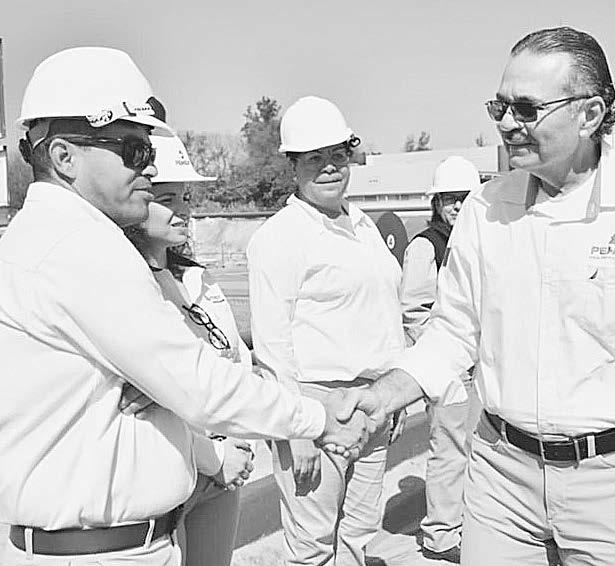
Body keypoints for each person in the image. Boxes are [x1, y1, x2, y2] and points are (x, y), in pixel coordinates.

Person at [334, 27, 615, 566]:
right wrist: (382, 396)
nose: (506, 123)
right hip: (500, 476)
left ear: (590, 115)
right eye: (499, 107)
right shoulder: (484, 209)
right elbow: (453, 333)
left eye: (525, 108)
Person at [0, 47, 372, 566]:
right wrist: (317, 418)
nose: (150, 166)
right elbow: (199, 384)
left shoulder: (49, 237)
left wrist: (161, 388)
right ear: (65, 157)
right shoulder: (77, 246)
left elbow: (182, 379)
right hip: (99, 551)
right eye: (134, 150)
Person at [247, 95, 404, 566]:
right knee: (312, 545)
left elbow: (385, 312)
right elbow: (272, 344)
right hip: (316, 407)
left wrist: (393, 396)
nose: (330, 167)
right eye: (315, 158)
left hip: (372, 403)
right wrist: (294, 429)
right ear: (293, 166)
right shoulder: (279, 238)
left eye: (338, 154)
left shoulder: (364, 227)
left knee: (359, 534)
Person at [121, 133, 253, 566]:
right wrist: (213, 457)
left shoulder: (198, 279)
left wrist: (237, 443)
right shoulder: (125, 286)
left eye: (186, 197)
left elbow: (235, 361)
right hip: (173, 466)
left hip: (224, 464)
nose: (183, 210)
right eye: (166, 198)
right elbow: (147, 398)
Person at [400, 155, 481, 563]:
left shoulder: (474, 240)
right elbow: (415, 312)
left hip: (478, 367)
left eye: (464, 197)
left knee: (475, 450)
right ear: (436, 203)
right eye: (450, 198)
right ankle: (441, 533)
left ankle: (464, 523)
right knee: (450, 449)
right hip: (451, 371)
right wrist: (442, 366)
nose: (457, 205)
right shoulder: (426, 246)